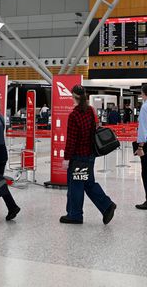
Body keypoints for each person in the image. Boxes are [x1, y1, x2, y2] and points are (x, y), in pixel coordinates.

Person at [60, 85, 116, 225]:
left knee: (76, 185)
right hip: (90, 154)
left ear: (74, 97)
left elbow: (71, 139)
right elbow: (95, 128)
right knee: (88, 183)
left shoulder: (74, 115)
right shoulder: (90, 111)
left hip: (78, 157)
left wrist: (67, 158)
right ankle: (106, 205)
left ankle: (75, 215)